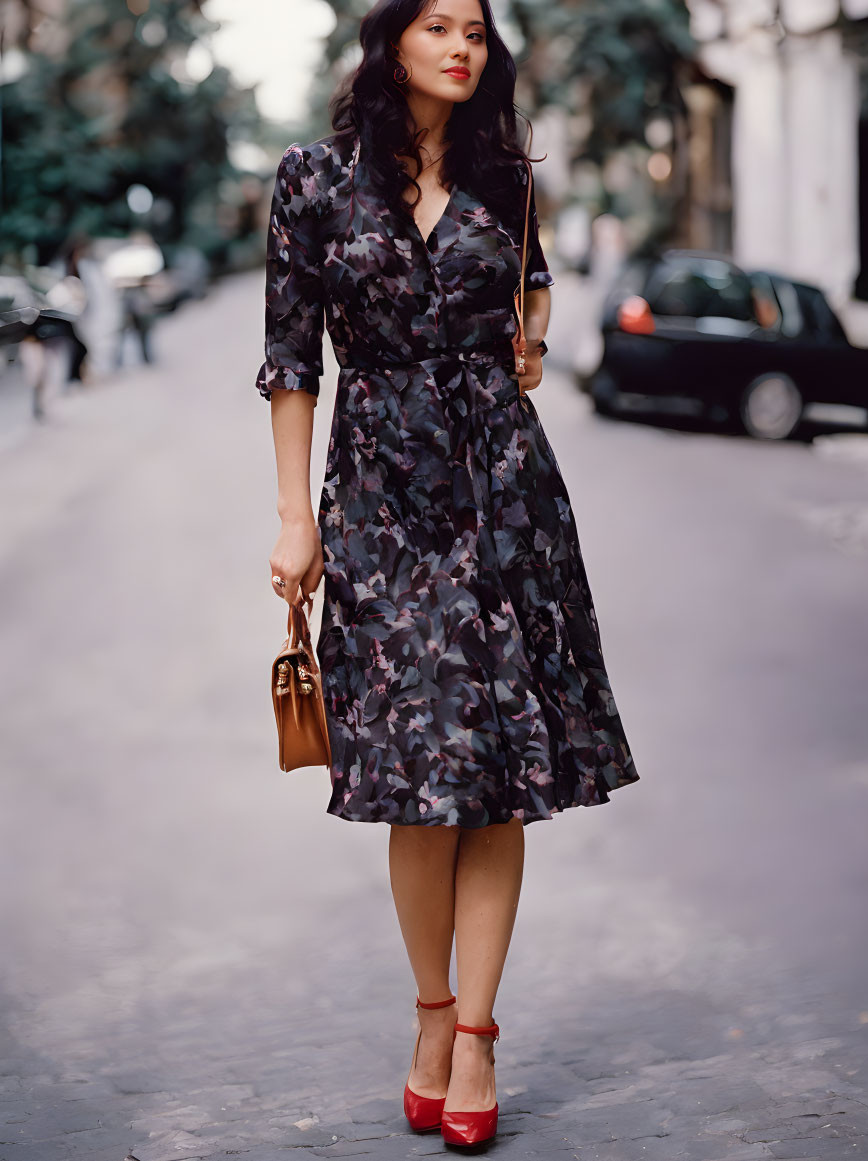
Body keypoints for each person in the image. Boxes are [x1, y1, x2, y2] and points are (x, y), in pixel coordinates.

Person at [257, 0, 641, 1146]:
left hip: (506, 496)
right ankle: (431, 1013)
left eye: (476, 27)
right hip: (379, 496)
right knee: (419, 783)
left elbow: (532, 295)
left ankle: (475, 1038)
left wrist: (524, 336)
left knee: (496, 770)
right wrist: (293, 518)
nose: (463, 45)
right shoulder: (314, 180)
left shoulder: (508, 176)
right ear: (392, 43)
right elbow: (289, 357)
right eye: (438, 24)